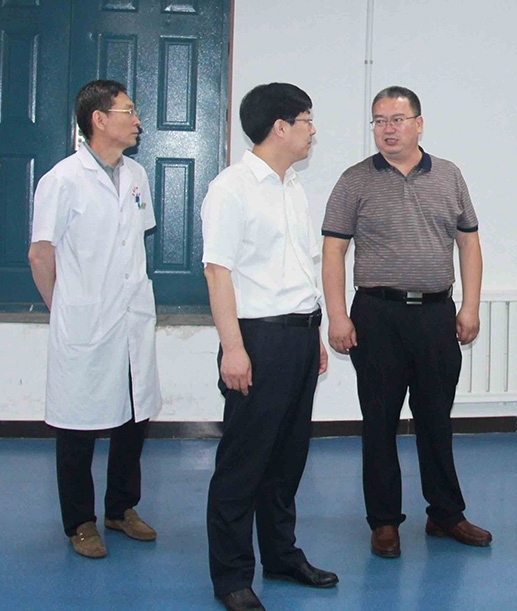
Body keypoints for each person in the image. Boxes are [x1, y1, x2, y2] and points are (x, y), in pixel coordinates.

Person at [322, 85, 491, 558]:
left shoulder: (449, 175)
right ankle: (383, 521)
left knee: (436, 418)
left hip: (436, 314)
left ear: (419, 123)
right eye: (379, 121)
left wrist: (470, 306)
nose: (387, 129)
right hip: (376, 315)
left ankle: (445, 514)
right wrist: (337, 315)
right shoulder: (354, 180)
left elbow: (469, 243)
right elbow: (333, 251)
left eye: (396, 120)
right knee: (379, 421)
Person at [201, 83, 337, 611]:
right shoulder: (231, 188)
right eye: (307, 120)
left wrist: (314, 333)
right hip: (256, 339)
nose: (312, 131)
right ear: (280, 127)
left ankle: (281, 556)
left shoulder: (293, 186)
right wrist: (233, 349)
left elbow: (299, 267)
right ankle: (232, 576)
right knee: (244, 462)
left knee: (287, 459)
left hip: (299, 336)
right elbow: (218, 272)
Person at [28, 80, 162, 559]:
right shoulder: (63, 179)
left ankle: (120, 508)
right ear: (99, 119)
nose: (137, 120)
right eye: (128, 111)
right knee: (77, 425)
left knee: (133, 415)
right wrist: (64, 306)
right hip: (85, 320)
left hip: (131, 316)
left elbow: (134, 241)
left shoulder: (136, 175)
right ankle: (80, 522)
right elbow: (40, 254)